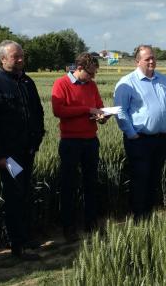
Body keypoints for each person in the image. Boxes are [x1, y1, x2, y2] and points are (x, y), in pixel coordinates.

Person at [0, 40, 45, 261]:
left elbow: (37, 111)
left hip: (28, 151)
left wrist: (38, 137)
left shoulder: (27, 82)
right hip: (9, 156)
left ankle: (25, 237)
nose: (21, 60)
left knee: (26, 194)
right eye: (16, 57)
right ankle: (17, 246)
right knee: (14, 197)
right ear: (2, 59)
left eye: (22, 56)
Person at [114, 45, 166, 219]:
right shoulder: (127, 83)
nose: (151, 61)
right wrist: (131, 133)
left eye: (153, 58)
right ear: (137, 61)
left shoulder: (164, 80)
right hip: (139, 140)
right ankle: (139, 218)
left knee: (154, 178)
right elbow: (120, 111)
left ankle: (149, 214)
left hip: (162, 139)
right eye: (147, 58)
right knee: (140, 179)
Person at [51, 53, 109, 242]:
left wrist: (103, 116)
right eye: (91, 74)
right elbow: (58, 111)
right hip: (70, 142)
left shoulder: (91, 85)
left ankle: (91, 224)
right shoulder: (61, 84)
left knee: (91, 184)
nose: (93, 78)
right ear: (80, 68)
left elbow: (98, 106)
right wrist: (87, 110)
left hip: (91, 140)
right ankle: (69, 228)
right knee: (69, 186)